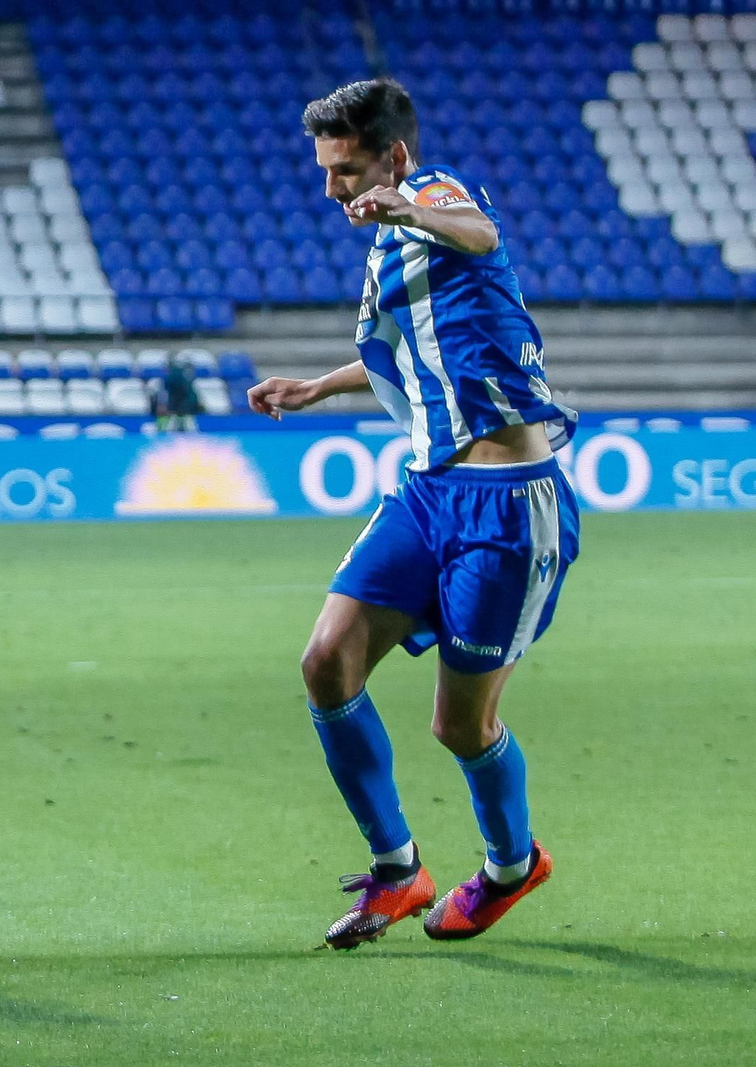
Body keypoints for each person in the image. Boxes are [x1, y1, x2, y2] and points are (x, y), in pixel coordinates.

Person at [247, 79, 580, 948]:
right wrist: (318, 385)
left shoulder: (435, 195)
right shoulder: (386, 249)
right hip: (429, 489)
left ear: (392, 158)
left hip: (508, 505)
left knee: (459, 725)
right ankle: (398, 868)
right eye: (324, 171)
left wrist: (410, 208)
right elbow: (414, 358)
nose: (333, 190)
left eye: (347, 170)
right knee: (327, 662)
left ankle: (513, 865)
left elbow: (481, 232)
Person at [156, 354, 200, 432]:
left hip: (180, 403)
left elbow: (168, 388)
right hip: (184, 403)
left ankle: (168, 437)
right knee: (186, 422)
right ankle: (193, 438)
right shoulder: (184, 376)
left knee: (181, 421)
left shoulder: (173, 376)